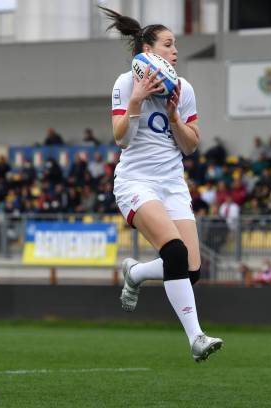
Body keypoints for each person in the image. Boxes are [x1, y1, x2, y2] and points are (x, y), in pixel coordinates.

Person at [101, 6, 222, 362]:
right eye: (168, 44)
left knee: (192, 271)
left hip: (172, 184)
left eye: (175, 45)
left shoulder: (183, 90)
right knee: (174, 253)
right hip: (136, 181)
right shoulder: (125, 84)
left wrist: (173, 116)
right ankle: (196, 338)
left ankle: (136, 272)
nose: (175, 51)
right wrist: (137, 100)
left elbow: (191, 144)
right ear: (148, 51)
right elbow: (121, 139)